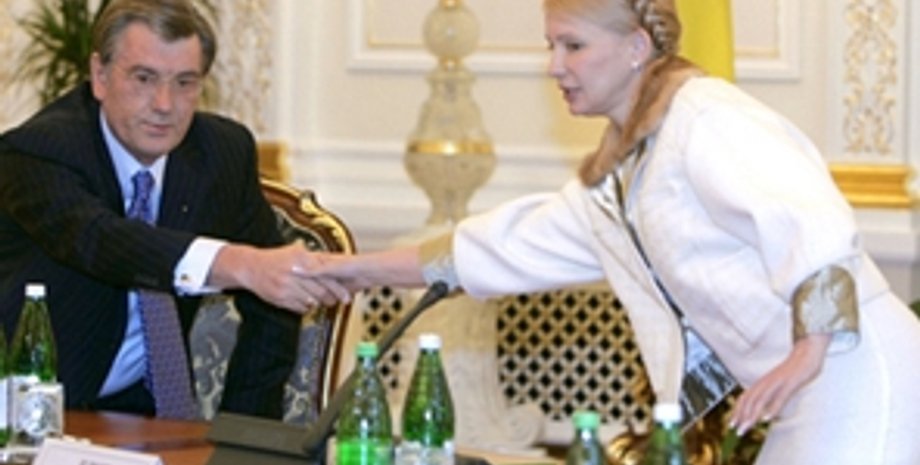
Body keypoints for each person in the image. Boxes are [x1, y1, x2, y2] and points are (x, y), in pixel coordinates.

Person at [308, 0, 920, 463]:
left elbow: (810, 215)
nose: (555, 66)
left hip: (855, 367)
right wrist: (352, 271)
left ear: (635, 46)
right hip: (809, 385)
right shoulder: (621, 174)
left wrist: (809, 350)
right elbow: (502, 248)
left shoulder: (706, 117)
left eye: (573, 46)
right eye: (551, 45)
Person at [0, 0, 347, 420]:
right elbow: (101, 241)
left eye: (185, 82)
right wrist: (235, 263)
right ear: (100, 76)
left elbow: (273, 301)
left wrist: (242, 429)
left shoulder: (221, 155)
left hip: (143, 414)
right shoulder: (39, 151)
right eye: (144, 78)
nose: (165, 104)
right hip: (27, 413)